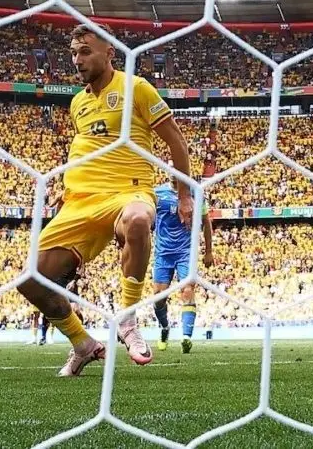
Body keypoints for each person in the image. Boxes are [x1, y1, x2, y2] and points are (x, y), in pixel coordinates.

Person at [17, 24, 194, 377]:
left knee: (139, 220)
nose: (77, 59)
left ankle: (127, 321)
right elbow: (89, 148)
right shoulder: (78, 103)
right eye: (73, 52)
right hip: (80, 201)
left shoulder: (136, 88)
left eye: (85, 51)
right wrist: (66, 188)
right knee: (31, 281)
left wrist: (184, 194)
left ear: (110, 52)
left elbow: (176, 140)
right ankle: (82, 344)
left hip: (129, 191)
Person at [152, 181, 213, 353]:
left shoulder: (196, 193)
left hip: (186, 252)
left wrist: (209, 251)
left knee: (187, 290)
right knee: (158, 298)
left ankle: (186, 337)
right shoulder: (157, 193)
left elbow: (206, 222)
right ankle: (165, 327)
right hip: (163, 253)